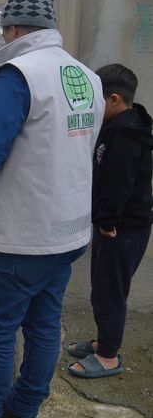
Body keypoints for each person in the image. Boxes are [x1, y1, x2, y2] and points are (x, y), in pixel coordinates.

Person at [0, 0, 104, 418]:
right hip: (68, 233)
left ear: (13, 29)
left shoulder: (18, 76)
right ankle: (26, 407)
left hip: (20, 237)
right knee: (43, 325)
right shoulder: (86, 77)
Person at [67, 64, 152, 378]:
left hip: (122, 228)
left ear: (115, 99)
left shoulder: (126, 135)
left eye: (96, 100)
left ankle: (107, 357)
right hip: (119, 225)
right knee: (103, 288)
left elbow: (119, 184)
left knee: (109, 291)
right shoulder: (119, 125)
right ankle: (104, 341)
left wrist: (107, 222)